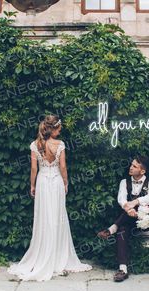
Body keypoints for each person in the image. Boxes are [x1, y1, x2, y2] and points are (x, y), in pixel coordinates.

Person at [7, 115, 92, 281]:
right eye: (59, 128)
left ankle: (44, 253)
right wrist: (66, 183)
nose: (60, 131)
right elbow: (63, 166)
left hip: (43, 183)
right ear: (52, 128)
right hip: (57, 182)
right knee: (58, 216)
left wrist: (32, 186)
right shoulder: (60, 145)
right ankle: (58, 256)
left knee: (44, 217)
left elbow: (33, 169)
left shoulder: (35, 145)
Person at [97, 156, 149, 282]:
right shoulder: (124, 182)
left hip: (144, 220)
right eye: (131, 164)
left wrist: (135, 202)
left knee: (130, 218)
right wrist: (128, 208)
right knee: (122, 231)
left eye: (134, 166)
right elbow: (121, 198)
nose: (130, 167)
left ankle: (111, 229)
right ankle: (123, 270)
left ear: (142, 171)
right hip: (127, 218)